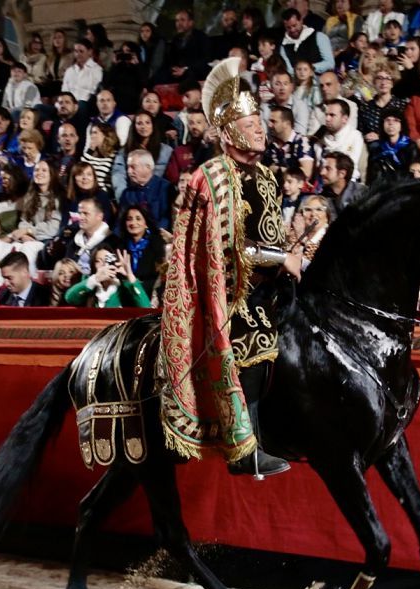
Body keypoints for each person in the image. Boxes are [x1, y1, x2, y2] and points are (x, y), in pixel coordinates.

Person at [159, 57, 301, 477]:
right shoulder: (213, 176)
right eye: (251, 120)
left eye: (261, 119)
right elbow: (227, 251)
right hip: (230, 292)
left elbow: (271, 237)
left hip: (272, 285)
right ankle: (245, 449)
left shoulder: (269, 176)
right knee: (253, 336)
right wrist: (283, 259)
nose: (261, 126)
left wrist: (295, 252)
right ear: (228, 131)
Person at [65, 244, 151, 308]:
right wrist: (95, 279)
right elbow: (70, 298)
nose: (103, 264)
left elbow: (146, 308)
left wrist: (130, 276)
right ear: (93, 265)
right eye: (98, 261)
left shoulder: (125, 286)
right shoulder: (88, 283)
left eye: (107, 259)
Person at [115, 204, 166, 296]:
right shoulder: (121, 247)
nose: (133, 223)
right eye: (129, 219)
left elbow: (159, 275)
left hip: (150, 293)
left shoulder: (157, 243)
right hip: (127, 293)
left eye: (138, 219)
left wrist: (139, 287)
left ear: (146, 223)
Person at [119, 149, 174, 231]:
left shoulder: (165, 188)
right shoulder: (127, 193)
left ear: (148, 167)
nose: (129, 171)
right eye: (128, 167)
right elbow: (120, 222)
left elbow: (166, 219)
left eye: (133, 167)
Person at [280, 8, 336, 75]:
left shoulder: (319, 37)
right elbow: (289, 71)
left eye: (294, 25)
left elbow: (330, 63)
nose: (292, 30)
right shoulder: (284, 47)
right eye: (288, 27)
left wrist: (308, 68)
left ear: (301, 21)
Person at [366, 108, 415, 184]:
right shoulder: (376, 147)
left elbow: (413, 174)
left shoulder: (411, 147)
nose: (391, 123)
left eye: (395, 120)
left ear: (401, 126)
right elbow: (371, 176)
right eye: (387, 120)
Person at [62, 39, 104, 106]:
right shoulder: (69, 71)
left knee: (81, 104)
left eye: (81, 51)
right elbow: (64, 91)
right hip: (68, 105)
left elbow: (93, 92)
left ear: (90, 52)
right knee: (41, 108)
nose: (78, 54)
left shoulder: (97, 70)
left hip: (86, 104)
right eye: (76, 51)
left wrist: (76, 104)